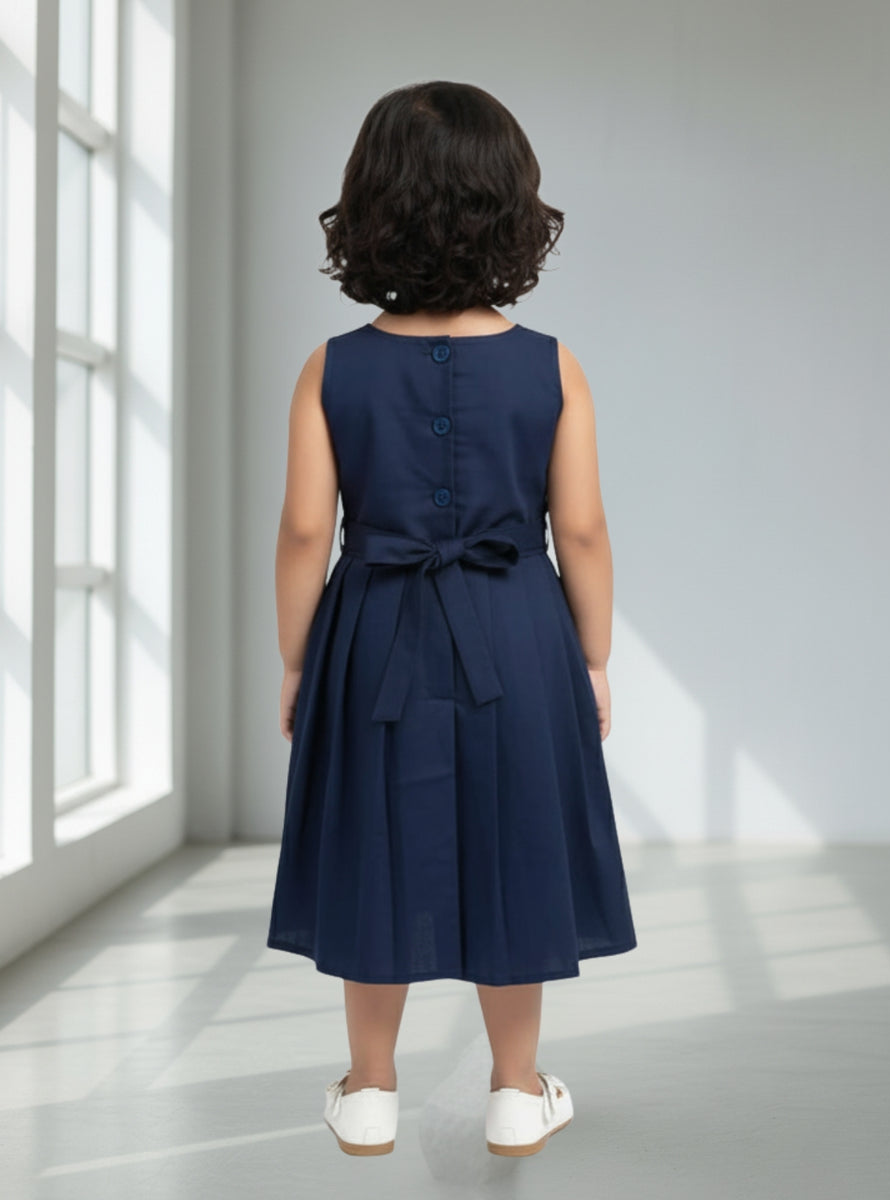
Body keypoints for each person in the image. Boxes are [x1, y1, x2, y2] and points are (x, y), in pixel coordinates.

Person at [266, 79, 638, 1158]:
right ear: (510, 210)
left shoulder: (330, 369)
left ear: (369, 207)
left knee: (373, 838)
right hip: (520, 637)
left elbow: (303, 535)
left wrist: (296, 661)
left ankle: (371, 1089)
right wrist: (596, 658)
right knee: (514, 836)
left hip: (374, 629)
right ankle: (516, 1091)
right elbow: (585, 533)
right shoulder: (551, 365)